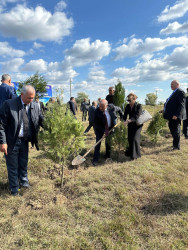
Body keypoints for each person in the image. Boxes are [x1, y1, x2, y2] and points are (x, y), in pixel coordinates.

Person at [0, 85, 43, 196]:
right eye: (29, 98)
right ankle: (14, 189)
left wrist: (53, 128)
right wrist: (3, 142)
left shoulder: (34, 105)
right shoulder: (9, 104)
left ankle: (24, 183)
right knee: (13, 166)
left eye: (33, 98)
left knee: (23, 164)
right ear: (22, 94)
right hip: (11, 141)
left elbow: (40, 119)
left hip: (25, 140)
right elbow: (1, 124)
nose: (31, 100)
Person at [92, 99, 123, 166]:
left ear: (106, 105)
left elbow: (119, 109)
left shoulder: (111, 107)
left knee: (108, 142)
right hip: (100, 129)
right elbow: (96, 124)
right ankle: (95, 159)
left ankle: (107, 156)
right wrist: (104, 131)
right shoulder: (96, 111)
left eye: (102, 107)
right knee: (98, 143)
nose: (100, 108)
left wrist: (122, 116)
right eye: (99, 106)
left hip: (110, 128)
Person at [163, 80, 186, 150]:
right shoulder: (174, 92)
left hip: (175, 116)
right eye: (171, 84)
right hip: (171, 116)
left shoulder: (180, 92)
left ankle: (176, 146)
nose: (171, 85)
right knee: (172, 130)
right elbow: (172, 104)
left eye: (172, 84)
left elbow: (181, 105)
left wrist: (177, 114)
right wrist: (164, 110)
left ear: (177, 84)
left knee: (176, 131)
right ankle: (174, 144)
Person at [123, 93, 143, 160]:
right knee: (130, 138)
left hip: (137, 125)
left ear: (134, 99)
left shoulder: (139, 106)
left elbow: (137, 116)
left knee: (135, 139)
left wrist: (129, 120)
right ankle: (131, 153)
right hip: (130, 125)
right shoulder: (128, 106)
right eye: (128, 100)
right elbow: (125, 115)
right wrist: (123, 120)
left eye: (130, 100)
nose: (129, 102)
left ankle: (135, 155)